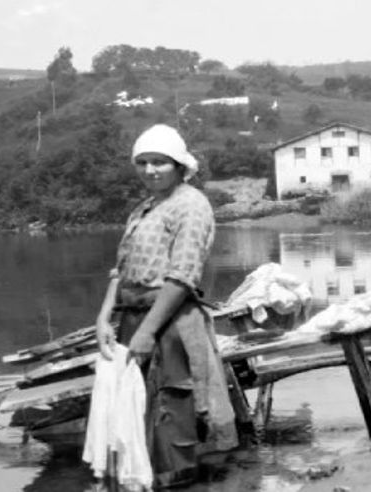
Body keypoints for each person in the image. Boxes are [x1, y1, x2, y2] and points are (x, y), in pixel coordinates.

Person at [94, 124, 237, 488]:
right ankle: (144, 480)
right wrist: (103, 317)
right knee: (134, 411)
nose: (150, 170)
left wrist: (147, 332)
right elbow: (121, 270)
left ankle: (179, 482)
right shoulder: (144, 207)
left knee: (172, 410)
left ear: (178, 165)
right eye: (142, 162)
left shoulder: (191, 205)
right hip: (133, 318)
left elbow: (181, 277)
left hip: (168, 323)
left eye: (159, 162)